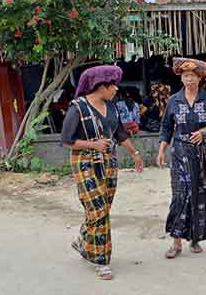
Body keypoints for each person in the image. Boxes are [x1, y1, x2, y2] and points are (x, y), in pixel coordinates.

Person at [61, 65, 144, 280]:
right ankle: (102, 261)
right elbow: (67, 141)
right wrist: (93, 144)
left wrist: (135, 153)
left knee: (103, 207)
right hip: (85, 163)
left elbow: (120, 134)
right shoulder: (77, 108)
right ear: (100, 86)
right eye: (112, 85)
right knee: (98, 210)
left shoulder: (113, 107)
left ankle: (82, 240)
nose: (116, 89)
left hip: (108, 163)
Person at [157, 58, 206, 259]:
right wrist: (161, 150)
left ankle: (195, 238)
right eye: (185, 76)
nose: (189, 79)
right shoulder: (173, 101)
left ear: (200, 77)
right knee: (180, 195)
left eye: (193, 76)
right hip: (179, 155)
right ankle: (176, 242)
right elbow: (166, 128)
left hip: (203, 156)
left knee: (200, 195)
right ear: (181, 77)